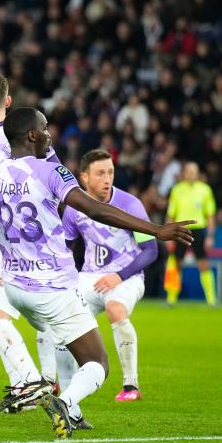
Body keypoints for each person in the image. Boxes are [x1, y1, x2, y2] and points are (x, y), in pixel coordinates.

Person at [0, 108, 193, 438]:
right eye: (45, 129)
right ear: (32, 136)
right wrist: (155, 229)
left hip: (15, 287)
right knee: (98, 363)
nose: (50, 134)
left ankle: (66, 406)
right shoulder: (51, 172)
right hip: (51, 287)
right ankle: (64, 402)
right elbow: (93, 208)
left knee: (62, 338)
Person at [0, 72, 57, 413]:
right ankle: (39, 382)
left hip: (10, 244)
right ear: (8, 101)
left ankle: (32, 384)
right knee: (44, 316)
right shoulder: (35, 134)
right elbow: (59, 182)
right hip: (46, 240)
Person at [59, 149, 158, 403]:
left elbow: (151, 250)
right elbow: (65, 251)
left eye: (110, 172)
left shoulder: (129, 204)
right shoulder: (74, 208)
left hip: (127, 276)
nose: (107, 179)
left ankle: (130, 385)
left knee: (115, 309)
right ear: (84, 178)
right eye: (100, 173)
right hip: (90, 277)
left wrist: (120, 275)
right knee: (60, 317)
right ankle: (63, 388)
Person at [164, 161, 218, 306]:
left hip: (199, 229)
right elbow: (171, 214)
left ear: (198, 173)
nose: (191, 174)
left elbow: (211, 215)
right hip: (180, 229)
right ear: (184, 173)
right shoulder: (177, 190)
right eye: (188, 171)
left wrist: (211, 236)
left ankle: (211, 300)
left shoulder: (205, 190)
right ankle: (171, 299)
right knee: (176, 264)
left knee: (203, 264)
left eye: (193, 171)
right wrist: (168, 234)